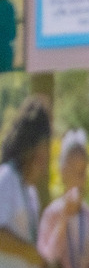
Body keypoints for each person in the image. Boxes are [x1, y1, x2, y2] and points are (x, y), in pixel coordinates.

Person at [38, 126, 89, 268]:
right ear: (63, 171)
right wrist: (64, 218)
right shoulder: (52, 213)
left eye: (83, 172)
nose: (80, 178)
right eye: (74, 171)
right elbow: (47, 258)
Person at [0, 95, 48, 243]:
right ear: (27, 146)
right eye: (40, 147)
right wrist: (30, 254)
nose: (44, 155)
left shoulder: (31, 192)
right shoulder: (7, 178)